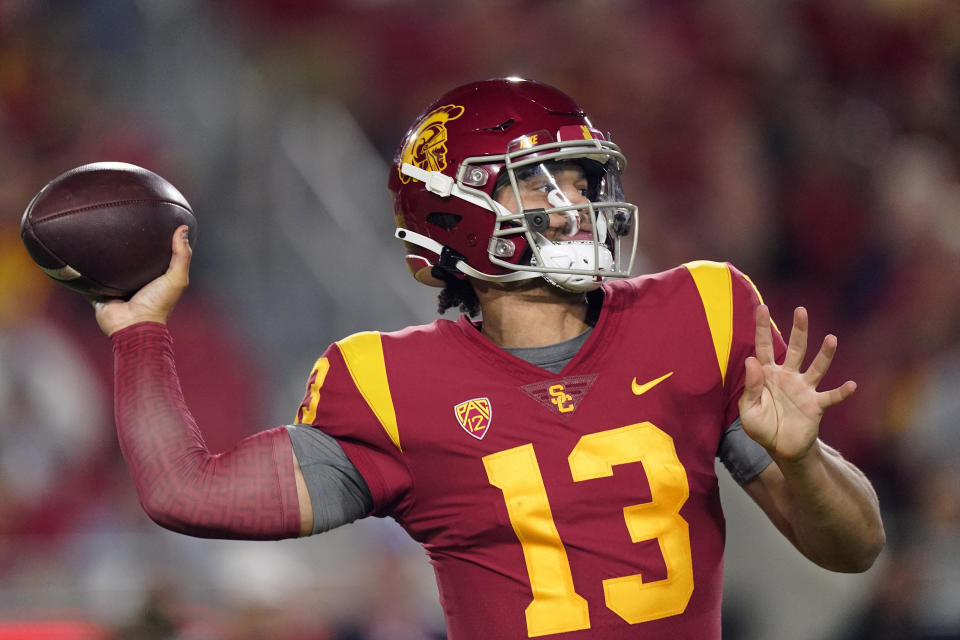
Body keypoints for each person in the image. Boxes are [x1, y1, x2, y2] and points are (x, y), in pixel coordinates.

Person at [93, 78, 885, 639]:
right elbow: (186, 491)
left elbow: (855, 550)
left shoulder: (701, 311)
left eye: (582, 179)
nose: (575, 204)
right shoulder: (387, 386)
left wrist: (806, 460)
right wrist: (139, 333)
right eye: (540, 184)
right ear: (451, 210)